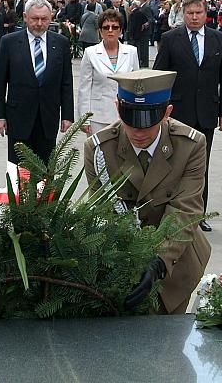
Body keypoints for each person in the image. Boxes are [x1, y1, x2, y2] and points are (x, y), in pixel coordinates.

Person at [83, 69, 211, 314]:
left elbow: (186, 210)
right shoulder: (99, 149)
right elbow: (103, 211)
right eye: (130, 120)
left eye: (149, 122)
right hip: (120, 264)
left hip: (176, 262)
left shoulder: (190, 145)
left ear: (167, 113)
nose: (139, 132)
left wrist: (159, 262)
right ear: (117, 109)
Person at [153, 0, 222, 232]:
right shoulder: (170, 39)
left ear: (205, 13)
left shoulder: (219, 39)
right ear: (183, 14)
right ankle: (171, 215)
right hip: (177, 112)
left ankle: (198, 215)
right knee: (173, 164)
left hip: (207, 113)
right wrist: (159, 111)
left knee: (201, 166)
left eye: (198, 12)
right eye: (190, 13)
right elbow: (160, 77)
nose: (195, 17)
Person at [0, 0, 74, 164]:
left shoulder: (61, 43)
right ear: (24, 17)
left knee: (45, 174)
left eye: (44, 19)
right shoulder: (9, 42)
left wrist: (67, 115)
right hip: (18, 118)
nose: (39, 23)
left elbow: (66, 82)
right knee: (19, 173)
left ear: (51, 17)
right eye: (34, 19)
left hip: (48, 118)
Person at [78, 9, 140, 135]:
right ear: (100, 31)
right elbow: (84, 88)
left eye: (115, 27)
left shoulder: (132, 52)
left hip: (125, 114)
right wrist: (84, 119)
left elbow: (136, 85)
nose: (110, 30)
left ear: (121, 30)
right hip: (97, 116)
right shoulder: (90, 53)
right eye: (106, 27)